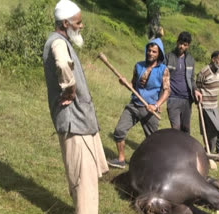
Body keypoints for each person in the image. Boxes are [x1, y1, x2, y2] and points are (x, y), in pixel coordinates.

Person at [42, 0, 109, 213]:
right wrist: (69, 89)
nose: (81, 26)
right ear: (65, 23)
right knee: (83, 179)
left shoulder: (62, 40)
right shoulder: (58, 43)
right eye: (78, 22)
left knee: (86, 176)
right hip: (74, 123)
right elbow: (62, 64)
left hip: (80, 121)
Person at [107, 38, 170, 169]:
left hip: (150, 110)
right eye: (149, 50)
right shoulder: (139, 66)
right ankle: (121, 160)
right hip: (134, 105)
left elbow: (166, 91)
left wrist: (156, 105)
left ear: (159, 54)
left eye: (154, 51)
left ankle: (156, 166)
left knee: (153, 141)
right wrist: (125, 83)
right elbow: (133, 85)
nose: (150, 53)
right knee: (119, 131)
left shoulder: (163, 70)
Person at [196, 50, 219, 165]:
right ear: (213, 59)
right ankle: (209, 153)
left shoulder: (218, 71)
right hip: (206, 106)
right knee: (213, 131)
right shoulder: (204, 72)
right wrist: (198, 97)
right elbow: (197, 86)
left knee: (218, 131)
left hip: (215, 106)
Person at [165, 31, 202, 134]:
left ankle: (185, 150)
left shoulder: (190, 59)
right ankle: (175, 149)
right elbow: (162, 77)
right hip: (172, 98)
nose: (181, 46)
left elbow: (191, 78)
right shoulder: (168, 57)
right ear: (177, 42)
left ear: (188, 46)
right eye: (180, 43)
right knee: (175, 128)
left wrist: (196, 90)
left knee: (186, 129)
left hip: (186, 99)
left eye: (185, 45)